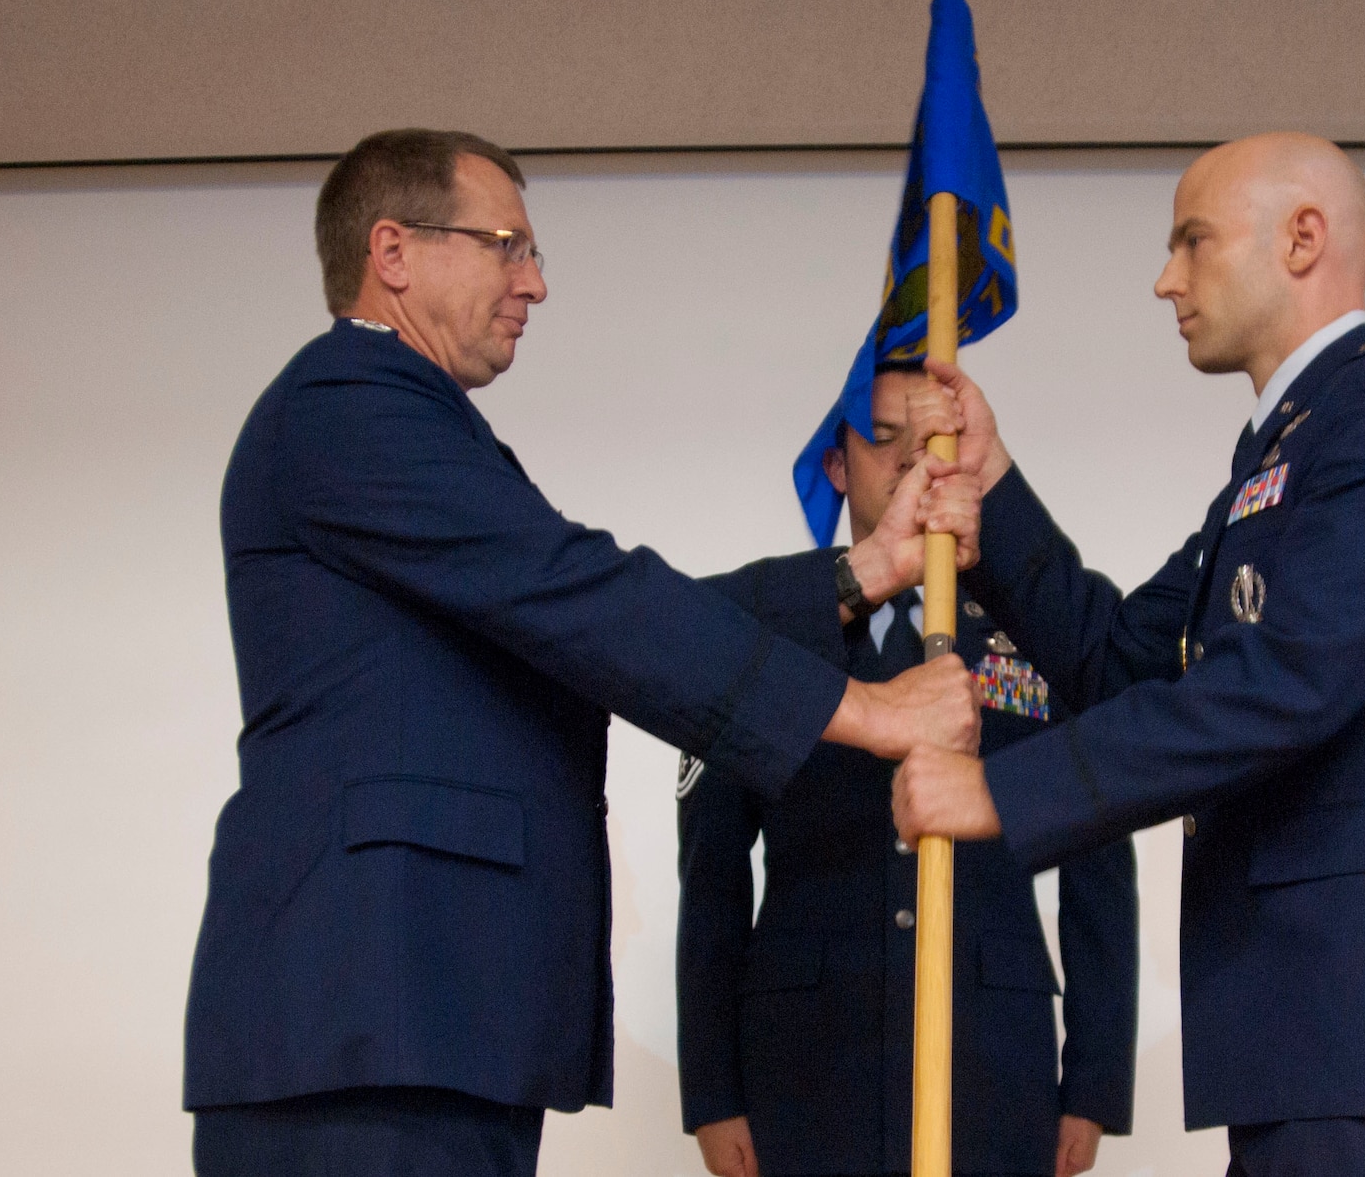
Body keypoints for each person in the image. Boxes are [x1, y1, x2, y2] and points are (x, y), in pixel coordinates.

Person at [183, 129, 980, 1177]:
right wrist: (868, 711)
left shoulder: (416, 429)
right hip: (368, 1013)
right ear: (393, 251)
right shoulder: (348, 405)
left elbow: (569, 621)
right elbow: (577, 597)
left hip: (428, 1020)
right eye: (506, 245)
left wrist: (864, 569)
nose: (536, 283)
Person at [891, 134, 1365, 1176]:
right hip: (1310, 1043)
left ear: (1302, 239)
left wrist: (1000, 795)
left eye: (1191, 242)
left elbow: (1282, 687)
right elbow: (1119, 660)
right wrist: (994, 482)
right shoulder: (1283, 448)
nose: (1165, 280)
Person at [678, 364, 1139, 1177]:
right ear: (835, 464)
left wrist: (1096, 1080)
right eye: (881, 439)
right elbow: (711, 871)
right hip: (807, 1060)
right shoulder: (769, 633)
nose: (905, 460)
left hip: (992, 1054)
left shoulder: (1034, 623)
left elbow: (1097, 848)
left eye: (927, 438)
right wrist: (713, 1090)